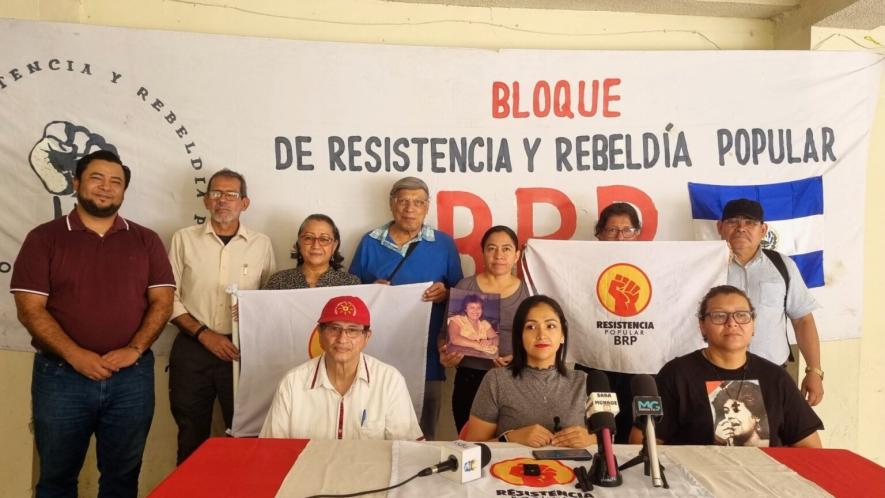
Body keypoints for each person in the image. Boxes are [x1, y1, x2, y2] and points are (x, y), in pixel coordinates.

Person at [11, 150, 175, 497]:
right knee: (56, 480)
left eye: (116, 182)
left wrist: (135, 349)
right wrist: (75, 355)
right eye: (97, 178)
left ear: (124, 191)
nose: (106, 188)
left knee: (122, 479)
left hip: (131, 378)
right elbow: (30, 310)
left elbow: (162, 302)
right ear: (76, 183)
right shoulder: (45, 238)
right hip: (61, 378)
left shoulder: (146, 240)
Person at [167, 169, 276, 464]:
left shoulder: (261, 244)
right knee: (191, 435)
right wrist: (204, 334)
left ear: (245, 202)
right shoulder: (183, 239)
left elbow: (267, 299)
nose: (223, 201)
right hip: (193, 346)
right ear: (206, 201)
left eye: (231, 195)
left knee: (243, 435)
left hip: (241, 351)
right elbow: (167, 297)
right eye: (216, 194)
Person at [629, 285, 822, 447]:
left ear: (753, 324)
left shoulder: (775, 377)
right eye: (719, 316)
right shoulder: (677, 374)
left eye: (742, 315)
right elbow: (642, 442)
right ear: (702, 325)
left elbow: (810, 447)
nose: (732, 323)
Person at [349, 176, 463, 439]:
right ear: (392, 205)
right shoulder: (370, 242)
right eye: (403, 201)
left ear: (427, 207)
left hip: (427, 353)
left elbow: (461, 294)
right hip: (378, 350)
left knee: (424, 425)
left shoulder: (443, 244)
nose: (410, 208)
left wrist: (445, 294)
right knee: (373, 420)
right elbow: (352, 295)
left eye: (418, 202)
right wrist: (372, 290)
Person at [260, 296, 423, 440]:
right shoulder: (292, 383)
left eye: (352, 330)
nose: (342, 338)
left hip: (371, 474)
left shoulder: (390, 381)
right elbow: (270, 449)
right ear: (320, 335)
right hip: (307, 473)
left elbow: (407, 450)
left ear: (366, 337)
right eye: (334, 328)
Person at [717, 198, 824, 405]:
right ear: (720, 227)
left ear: (763, 230)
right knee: (721, 435)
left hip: (773, 373)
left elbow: (803, 320)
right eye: (733, 222)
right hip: (715, 375)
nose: (741, 228)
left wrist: (814, 371)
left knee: (776, 436)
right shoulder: (703, 267)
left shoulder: (782, 266)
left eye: (750, 222)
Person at [465, 295, 594, 448]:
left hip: (573, 471)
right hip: (508, 470)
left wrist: (592, 439)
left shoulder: (585, 381)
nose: (541, 335)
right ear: (520, 336)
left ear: (562, 335)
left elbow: (609, 440)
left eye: (550, 326)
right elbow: (471, 448)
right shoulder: (496, 380)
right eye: (531, 327)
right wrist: (510, 438)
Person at [439, 226, 530, 433]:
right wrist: (445, 354)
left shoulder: (529, 291)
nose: (499, 255)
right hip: (471, 378)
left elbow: (537, 339)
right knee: (470, 443)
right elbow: (444, 337)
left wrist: (518, 357)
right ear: (483, 252)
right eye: (492, 248)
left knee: (512, 442)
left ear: (517, 255)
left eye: (506, 249)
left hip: (516, 378)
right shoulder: (466, 287)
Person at [574, 202, 642, 443]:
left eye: (627, 230)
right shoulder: (579, 266)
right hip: (594, 361)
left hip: (639, 361)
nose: (620, 238)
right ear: (599, 234)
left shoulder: (656, 265)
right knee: (595, 426)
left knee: (632, 428)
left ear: (638, 234)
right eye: (612, 230)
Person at [263, 213, 360, 289]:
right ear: (299, 242)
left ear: (334, 246)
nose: (316, 245)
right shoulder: (278, 282)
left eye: (324, 239)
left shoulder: (350, 284)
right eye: (308, 238)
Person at [711, 380, 770, 446]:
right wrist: (718, 441)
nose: (729, 416)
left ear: (756, 416)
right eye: (726, 411)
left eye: (736, 410)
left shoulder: (771, 446)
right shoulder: (721, 445)